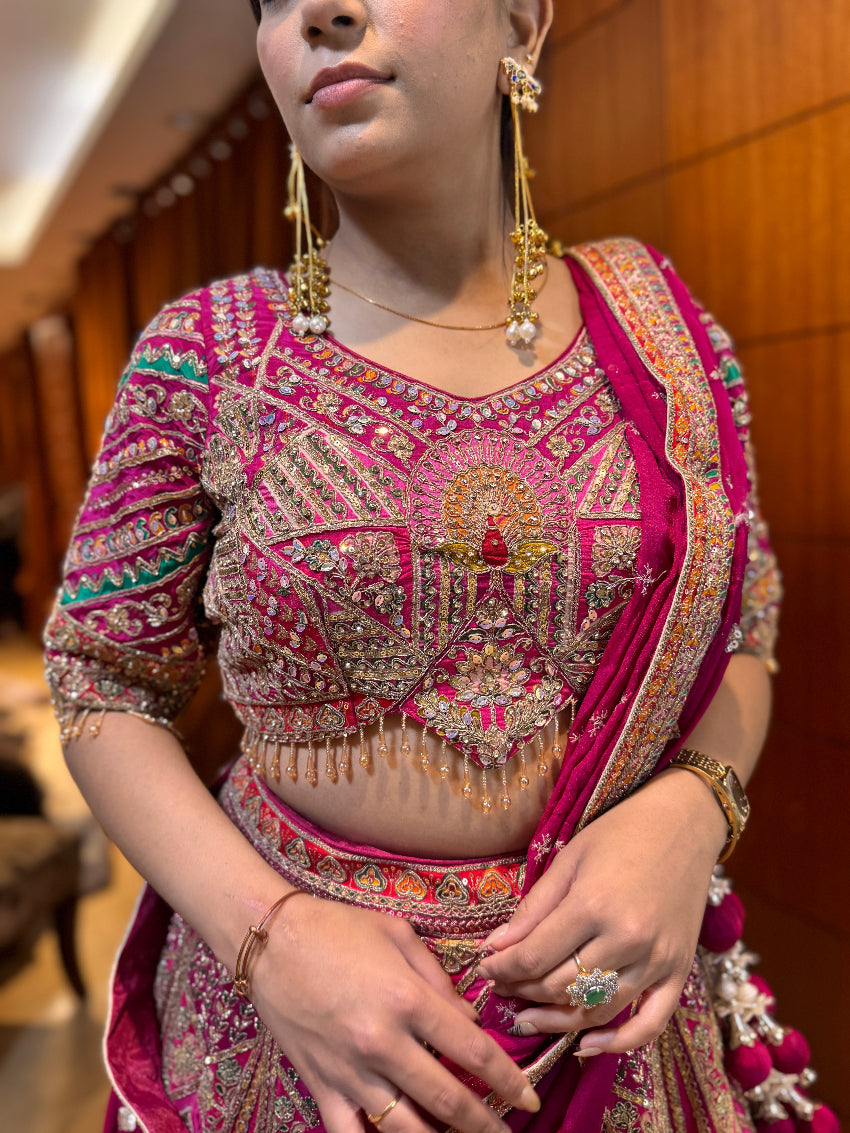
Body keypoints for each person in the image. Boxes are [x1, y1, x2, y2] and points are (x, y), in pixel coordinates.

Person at [42, 2, 833, 1131]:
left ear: (521, 21)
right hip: (297, 1041)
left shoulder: (664, 337)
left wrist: (687, 815)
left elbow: (744, 625)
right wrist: (270, 938)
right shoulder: (210, 352)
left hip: (608, 1022)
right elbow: (99, 680)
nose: (321, 13)